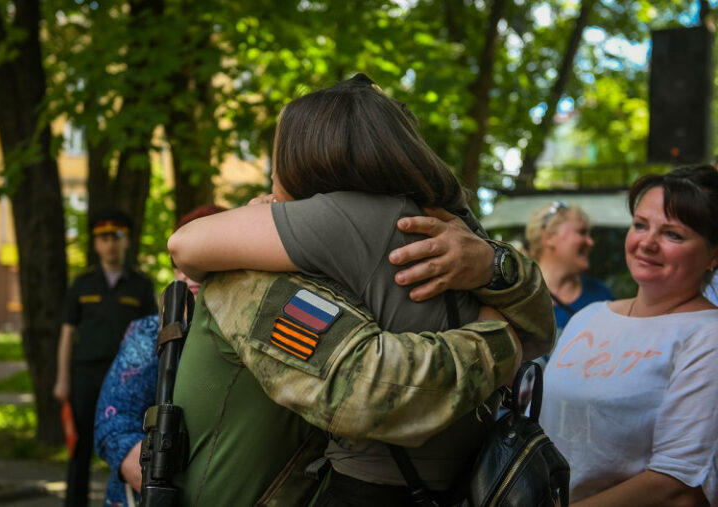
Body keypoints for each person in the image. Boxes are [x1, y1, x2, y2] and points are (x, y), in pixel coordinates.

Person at [168, 74, 555, 505]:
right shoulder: (452, 225)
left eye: (278, 156)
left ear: (308, 157)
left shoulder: (339, 222)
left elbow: (183, 244)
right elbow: (540, 327)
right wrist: (496, 278)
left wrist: (500, 341)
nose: (271, 179)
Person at [540, 165, 718, 505]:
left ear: (714, 255)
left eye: (673, 235)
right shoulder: (589, 316)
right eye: (640, 225)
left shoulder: (707, 335)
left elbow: (675, 481)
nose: (647, 243)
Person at [93, 205, 226, 507]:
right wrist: (162, 491)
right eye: (180, 263)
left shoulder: (249, 336)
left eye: (202, 259)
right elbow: (113, 426)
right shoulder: (148, 333)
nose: (187, 273)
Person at [53, 209, 157, 507]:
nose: (110, 244)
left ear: (126, 241)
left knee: (125, 444)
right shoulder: (82, 284)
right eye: (103, 238)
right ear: (95, 244)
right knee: (80, 449)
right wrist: (62, 380)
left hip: (128, 382)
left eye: (116, 237)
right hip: (86, 376)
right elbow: (66, 334)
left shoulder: (140, 285)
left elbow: (151, 335)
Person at [524, 201, 614, 338]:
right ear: (549, 238)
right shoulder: (517, 299)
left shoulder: (600, 296)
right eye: (581, 232)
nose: (590, 242)